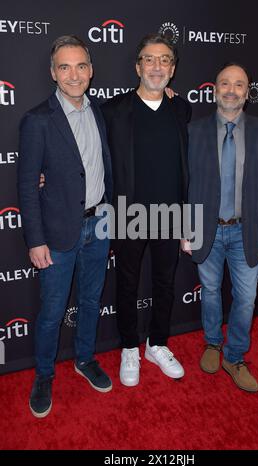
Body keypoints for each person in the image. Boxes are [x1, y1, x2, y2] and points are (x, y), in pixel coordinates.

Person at [18, 35, 113, 418]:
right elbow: (26, 185)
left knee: (91, 301)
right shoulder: (37, 120)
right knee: (53, 311)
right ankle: (43, 375)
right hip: (56, 234)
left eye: (81, 66)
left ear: (90, 70)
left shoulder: (101, 111)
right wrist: (35, 239)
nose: (74, 75)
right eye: (65, 67)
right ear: (52, 72)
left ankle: (85, 358)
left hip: (99, 225)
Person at [182, 62, 258, 392]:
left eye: (239, 85)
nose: (231, 90)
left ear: (247, 93)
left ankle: (234, 356)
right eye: (225, 83)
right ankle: (212, 343)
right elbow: (185, 185)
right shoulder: (193, 131)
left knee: (246, 298)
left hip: (246, 231)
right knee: (209, 291)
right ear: (214, 90)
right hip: (206, 228)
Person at [101, 34, 191, 387]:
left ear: (173, 68)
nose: (157, 66)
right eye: (149, 59)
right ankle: (128, 348)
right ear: (137, 66)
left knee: (166, 284)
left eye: (165, 59)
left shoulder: (181, 108)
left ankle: (157, 343)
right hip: (127, 213)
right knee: (126, 284)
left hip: (172, 213)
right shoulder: (112, 110)